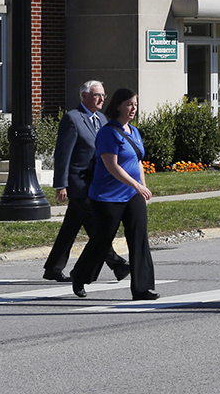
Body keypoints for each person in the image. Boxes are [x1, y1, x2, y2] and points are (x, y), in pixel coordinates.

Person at [70, 88, 158, 300]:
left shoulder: (134, 132)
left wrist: (142, 187)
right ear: (118, 106)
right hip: (107, 196)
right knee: (102, 240)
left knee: (139, 238)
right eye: (128, 104)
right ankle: (80, 275)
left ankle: (142, 289)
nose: (133, 108)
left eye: (135, 104)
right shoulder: (108, 133)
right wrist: (136, 186)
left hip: (132, 195)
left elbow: (138, 161)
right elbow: (112, 166)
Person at [43, 80, 130, 283]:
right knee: (96, 227)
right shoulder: (72, 119)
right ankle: (117, 264)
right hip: (78, 184)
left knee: (71, 227)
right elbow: (63, 154)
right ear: (84, 96)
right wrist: (61, 184)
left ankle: (53, 268)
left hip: (95, 182)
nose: (101, 99)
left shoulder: (102, 119)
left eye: (103, 96)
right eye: (97, 95)